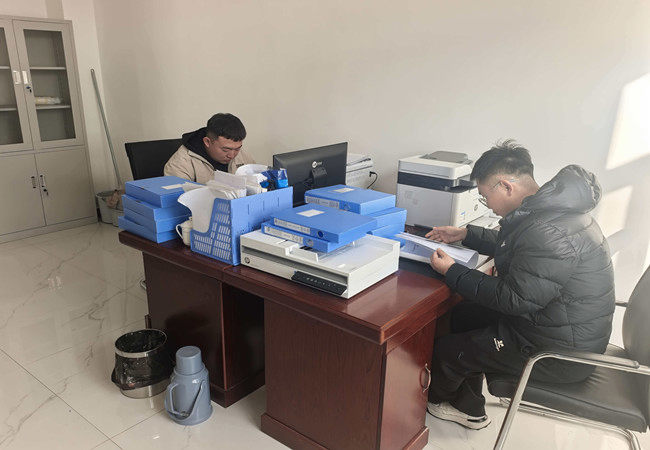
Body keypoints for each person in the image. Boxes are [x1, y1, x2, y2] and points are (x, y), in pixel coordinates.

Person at [424, 139, 615, 430]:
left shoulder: (547, 229)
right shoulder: (553, 212)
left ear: (506, 186)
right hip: (557, 326)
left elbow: (514, 298)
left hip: (558, 353)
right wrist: (466, 234)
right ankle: (468, 398)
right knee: (463, 315)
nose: (487, 205)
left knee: (447, 352)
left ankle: (453, 405)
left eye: (485, 197)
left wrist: (453, 271)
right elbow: (523, 249)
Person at [164, 113, 255, 184]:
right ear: (207, 142)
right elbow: (176, 198)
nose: (232, 155)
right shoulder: (181, 163)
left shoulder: (241, 153)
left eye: (237, 149)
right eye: (225, 150)